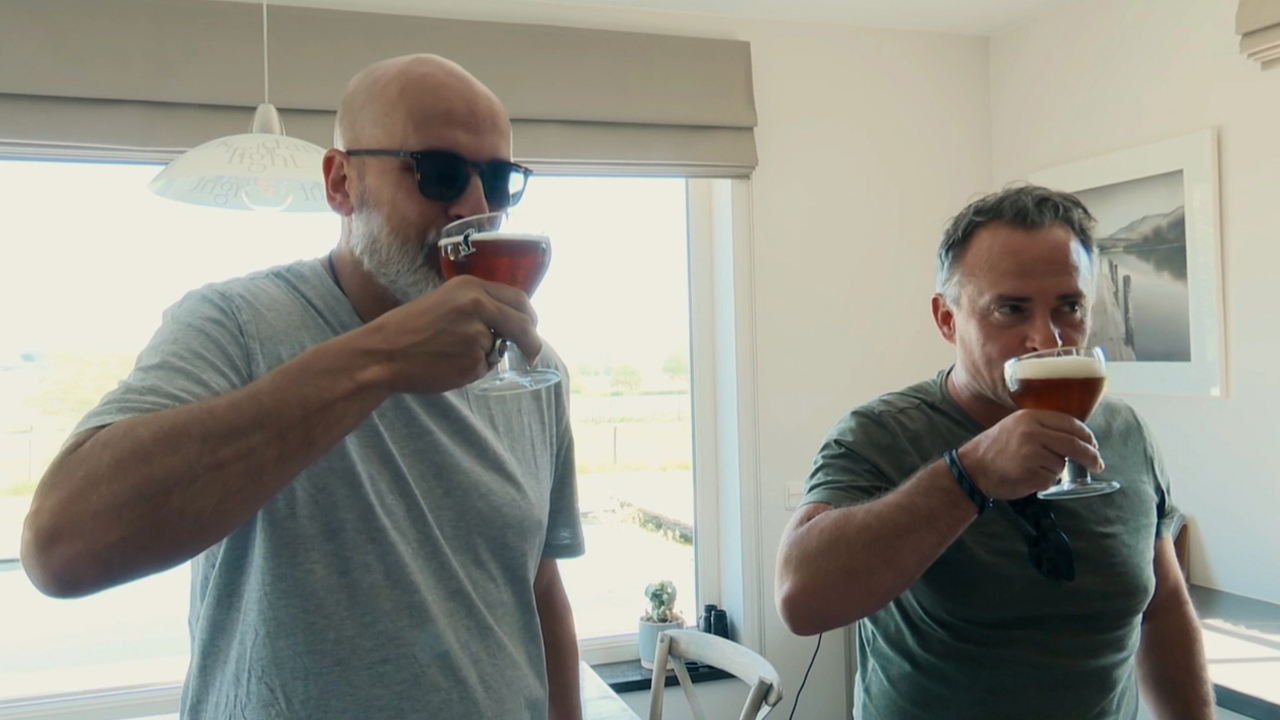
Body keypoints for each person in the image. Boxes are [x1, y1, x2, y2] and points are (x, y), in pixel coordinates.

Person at [20, 54, 585, 720]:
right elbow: (59, 548)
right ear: (341, 183)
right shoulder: (236, 324)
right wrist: (381, 357)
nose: (477, 208)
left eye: (498, 180)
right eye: (438, 172)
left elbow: (539, 583)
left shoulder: (532, 369)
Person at [774, 185, 1213, 720]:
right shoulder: (882, 434)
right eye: (1011, 309)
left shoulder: (1127, 434)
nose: (1047, 340)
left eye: (1070, 307)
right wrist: (971, 473)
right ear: (947, 319)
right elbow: (800, 598)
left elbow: (1162, 607)